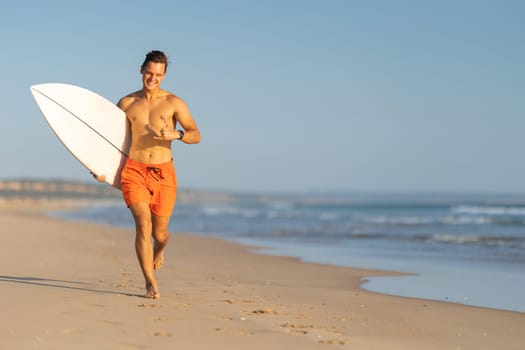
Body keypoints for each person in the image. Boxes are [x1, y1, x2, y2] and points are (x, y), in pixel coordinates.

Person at [95, 50, 201, 299]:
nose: (153, 78)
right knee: (143, 225)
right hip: (134, 170)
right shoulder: (126, 103)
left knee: (160, 234)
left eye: (158, 75)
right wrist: (102, 169)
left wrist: (177, 135)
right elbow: (109, 141)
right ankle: (150, 283)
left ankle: (159, 249)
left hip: (164, 173)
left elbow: (196, 134)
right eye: (149, 73)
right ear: (141, 70)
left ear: (164, 76)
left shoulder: (174, 102)